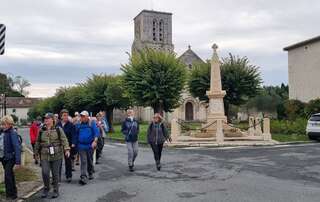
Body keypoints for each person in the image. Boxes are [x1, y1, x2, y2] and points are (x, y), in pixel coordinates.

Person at [34, 113, 70, 199]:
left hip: (57, 155)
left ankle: (55, 190)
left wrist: (67, 149)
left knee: (55, 174)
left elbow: (64, 139)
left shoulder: (58, 129)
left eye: (48, 118)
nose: (46, 120)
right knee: (45, 172)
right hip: (44, 154)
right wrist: (35, 153)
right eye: (45, 118)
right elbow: (37, 142)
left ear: (52, 119)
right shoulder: (41, 130)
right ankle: (46, 188)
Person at [72, 110, 99, 185]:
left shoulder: (91, 123)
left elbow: (96, 132)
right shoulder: (78, 124)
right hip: (81, 146)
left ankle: (90, 173)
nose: (82, 117)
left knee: (89, 160)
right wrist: (74, 143)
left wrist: (95, 141)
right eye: (81, 116)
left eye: (83, 116)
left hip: (90, 145)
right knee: (83, 161)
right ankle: (83, 176)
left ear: (87, 116)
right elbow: (76, 134)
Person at [0, 115, 21, 200]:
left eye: (5, 124)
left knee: (7, 175)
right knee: (10, 175)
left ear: (9, 124)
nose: (3, 126)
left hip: (10, 157)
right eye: (2, 124)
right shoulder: (2, 132)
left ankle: (9, 195)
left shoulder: (12, 133)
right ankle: (14, 194)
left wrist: (18, 161)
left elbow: (17, 147)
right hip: (3, 157)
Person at [56, 109, 76, 183]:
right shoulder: (57, 125)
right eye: (64, 115)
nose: (66, 117)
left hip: (68, 145)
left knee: (68, 161)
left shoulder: (71, 125)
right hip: (59, 146)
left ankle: (69, 176)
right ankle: (57, 177)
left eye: (67, 115)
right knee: (58, 162)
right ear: (61, 116)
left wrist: (73, 143)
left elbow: (74, 135)